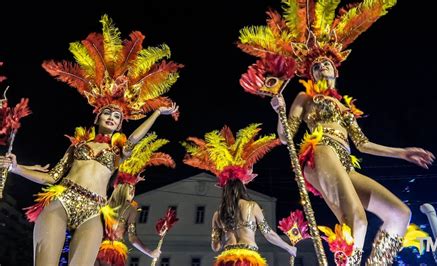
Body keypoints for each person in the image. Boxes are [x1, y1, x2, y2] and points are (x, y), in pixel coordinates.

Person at [236, 0, 434, 264]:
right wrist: (279, 110)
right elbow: (285, 138)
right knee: (358, 220)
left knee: (399, 213)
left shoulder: (343, 106)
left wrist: (402, 153)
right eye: (315, 66)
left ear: (335, 69)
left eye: (325, 64)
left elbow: (363, 144)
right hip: (320, 152)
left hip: (345, 161)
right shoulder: (304, 97)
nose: (320, 67)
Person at [0, 14, 181, 265]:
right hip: (63, 199)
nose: (111, 116)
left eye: (116, 116)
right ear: (98, 116)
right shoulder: (79, 144)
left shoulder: (119, 149)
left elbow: (135, 139)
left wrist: (157, 114)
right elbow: (53, 177)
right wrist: (16, 167)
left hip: (94, 209)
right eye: (107, 112)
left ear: (120, 124)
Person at [182, 124, 297, 265]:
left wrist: (219, 233)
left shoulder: (218, 214)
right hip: (248, 259)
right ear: (241, 185)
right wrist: (289, 248)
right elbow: (269, 234)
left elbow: (215, 247)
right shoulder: (252, 206)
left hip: (227, 259)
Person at [96, 133, 175, 266]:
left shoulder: (103, 204)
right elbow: (132, 238)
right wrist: (150, 253)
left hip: (94, 250)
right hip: (113, 255)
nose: (133, 192)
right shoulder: (130, 208)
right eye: (133, 188)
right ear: (128, 189)